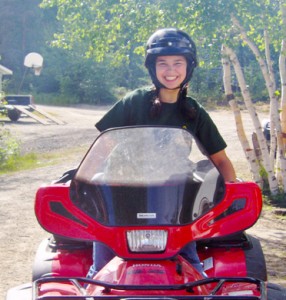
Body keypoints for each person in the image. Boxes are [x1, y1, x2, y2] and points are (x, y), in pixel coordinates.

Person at [87, 28, 236, 278]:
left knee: (193, 269)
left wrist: (233, 188)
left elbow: (220, 159)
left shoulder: (194, 111)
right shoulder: (133, 101)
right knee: (100, 271)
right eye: (162, 63)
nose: (170, 71)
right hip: (120, 197)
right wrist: (81, 185)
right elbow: (102, 147)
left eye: (178, 63)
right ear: (152, 68)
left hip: (174, 204)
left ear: (189, 68)